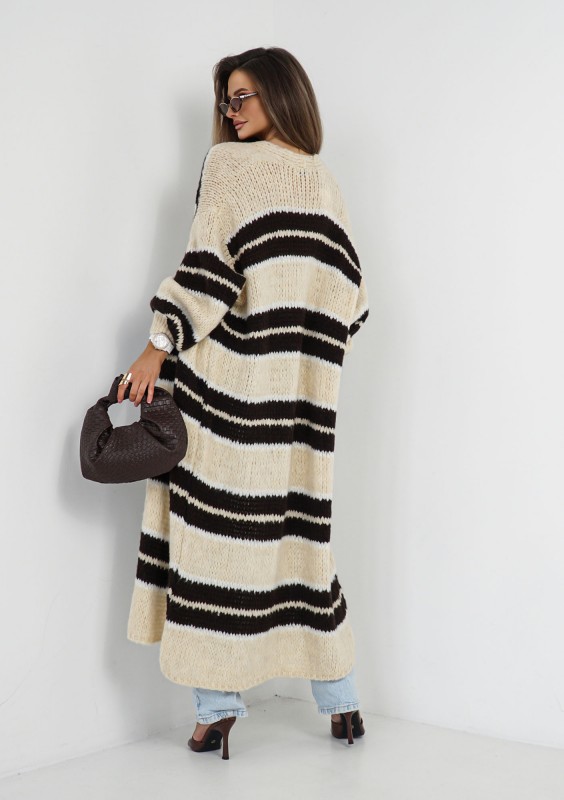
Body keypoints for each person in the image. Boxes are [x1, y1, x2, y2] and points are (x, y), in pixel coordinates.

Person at [118, 46, 369, 760]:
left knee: (211, 549)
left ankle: (217, 712)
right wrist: (299, 356)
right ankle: (343, 706)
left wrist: (157, 345)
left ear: (282, 96)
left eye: (244, 96)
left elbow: (207, 270)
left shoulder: (228, 166)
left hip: (224, 402)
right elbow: (353, 299)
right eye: (226, 99)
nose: (231, 112)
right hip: (298, 415)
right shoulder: (324, 183)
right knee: (301, 550)